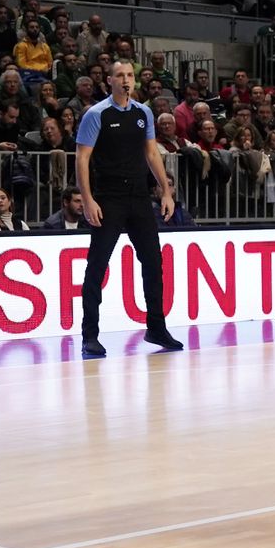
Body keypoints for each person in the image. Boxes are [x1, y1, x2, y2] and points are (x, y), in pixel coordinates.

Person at [76, 60, 184, 358]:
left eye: (130, 76)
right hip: (108, 196)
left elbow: (151, 152)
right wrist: (87, 199)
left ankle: (156, 327)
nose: (126, 80)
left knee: (153, 261)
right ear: (109, 80)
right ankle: (89, 335)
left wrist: (166, 190)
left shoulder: (143, 112)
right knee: (97, 265)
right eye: (120, 76)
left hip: (138, 195)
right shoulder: (96, 114)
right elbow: (82, 159)